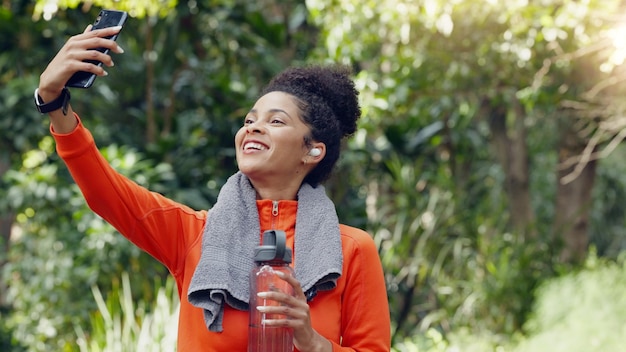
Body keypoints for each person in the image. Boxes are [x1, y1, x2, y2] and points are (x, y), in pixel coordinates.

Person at [36, 24, 391, 351]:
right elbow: (105, 193)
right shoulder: (194, 235)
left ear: (313, 151)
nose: (253, 128)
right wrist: (54, 103)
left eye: (276, 121)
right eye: (249, 120)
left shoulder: (352, 250)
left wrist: (313, 342)